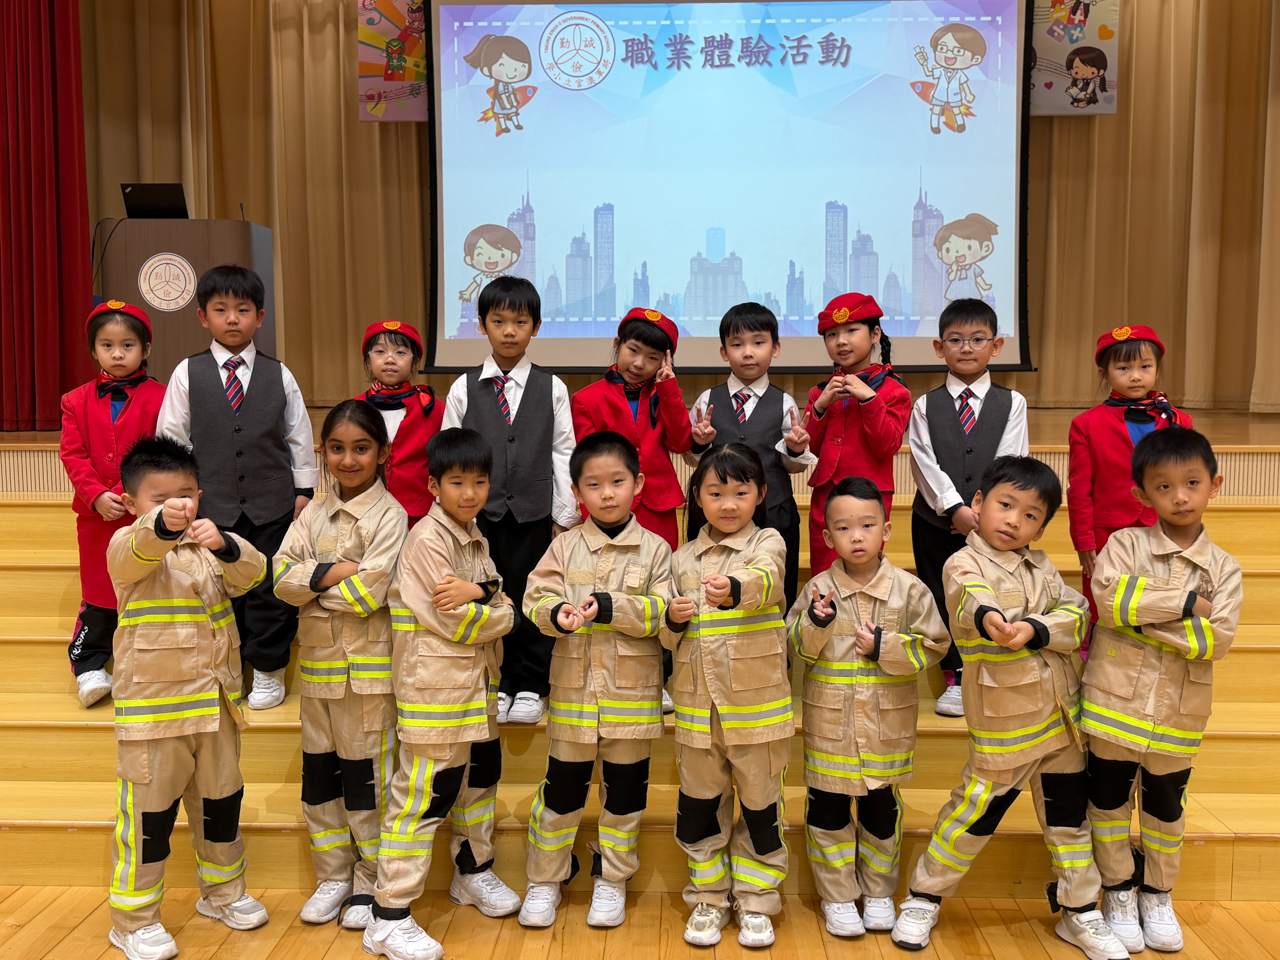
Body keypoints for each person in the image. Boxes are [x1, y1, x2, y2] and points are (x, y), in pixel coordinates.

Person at [891, 457, 1128, 960]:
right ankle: (924, 897)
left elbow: (1075, 613)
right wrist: (993, 618)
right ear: (978, 504)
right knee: (973, 814)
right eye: (1005, 505)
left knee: (1069, 821)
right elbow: (970, 599)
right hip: (1005, 723)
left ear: (1041, 527)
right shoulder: (963, 562)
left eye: (1030, 515)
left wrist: (1036, 628)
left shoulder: (1043, 567)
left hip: (1062, 721)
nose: (1014, 520)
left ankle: (1080, 909)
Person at [105, 437, 270, 960]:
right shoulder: (126, 546)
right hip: (154, 716)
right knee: (149, 823)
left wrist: (225, 545)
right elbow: (138, 549)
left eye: (186, 495)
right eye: (160, 499)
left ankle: (222, 894)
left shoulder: (207, 547)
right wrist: (159, 525)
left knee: (221, 808)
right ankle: (133, 921)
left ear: (200, 495)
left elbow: (254, 573)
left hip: (216, 708)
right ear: (131, 503)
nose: (177, 506)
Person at [1082, 428, 1241, 954]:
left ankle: (1156, 894)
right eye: (1164, 486)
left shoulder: (1226, 569)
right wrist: (1187, 603)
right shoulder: (1123, 545)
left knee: (1166, 809)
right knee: (1108, 803)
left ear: (1214, 485)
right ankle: (1117, 890)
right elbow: (1110, 606)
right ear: (1141, 494)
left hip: (1180, 710)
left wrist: (1144, 612)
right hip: (1113, 703)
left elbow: (1214, 640)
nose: (1180, 496)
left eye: (1192, 483)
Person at [365, 428, 521, 960]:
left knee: (478, 785)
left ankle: (471, 872)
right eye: (457, 482)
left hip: (476, 688)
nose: (470, 493)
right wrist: (499, 608)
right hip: (435, 692)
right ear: (433, 485)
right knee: (422, 798)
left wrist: (484, 592)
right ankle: (389, 915)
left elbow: (496, 594)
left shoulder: (473, 536)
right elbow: (458, 620)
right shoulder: (426, 540)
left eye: (480, 482)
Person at [519, 431, 675, 930]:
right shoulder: (564, 546)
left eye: (617, 482)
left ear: (638, 484)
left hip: (633, 698)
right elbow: (535, 597)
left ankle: (612, 878)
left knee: (624, 797)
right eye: (593, 484)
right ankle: (545, 878)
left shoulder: (656, 550)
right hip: (574, 697)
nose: (607, 494)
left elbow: (664, 613)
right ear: (576, 491)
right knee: (560, 794)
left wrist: (612, 608)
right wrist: (555, 612)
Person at [786, 476, 949, 938]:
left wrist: (886, 647)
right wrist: (815, 624)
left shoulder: (910, 590)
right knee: (828, 813)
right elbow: (796, 646)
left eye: (866, 525)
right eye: (843, 528)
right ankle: (838, 896)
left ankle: (878, 892)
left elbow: (934, 645)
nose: (855, 536)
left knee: (882, 813)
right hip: (830, 727)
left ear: (886, 530)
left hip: (885, 728)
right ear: (826, 536)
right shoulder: (818, 590)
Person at [157, 264, 319, 711]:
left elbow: (298, 435)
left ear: (259, 318)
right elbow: (172, 438)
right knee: (216, 588)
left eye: (243, 310)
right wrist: (180, 497)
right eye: (221, 309)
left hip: (272, 504)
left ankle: (267, 667)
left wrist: (304, 490)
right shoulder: (187, 373)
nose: (232, 319)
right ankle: (225, 669)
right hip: (211, 507)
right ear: (202, 317)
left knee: (269, 587)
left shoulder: (279, 374)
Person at [272, 400, 407, 932]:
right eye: (336, 448)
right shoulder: (311, 513)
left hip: (367, 676)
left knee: (367, 782)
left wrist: (313, 584)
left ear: (382, 453)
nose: (348, 460)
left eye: (361, 448)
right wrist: (336, 572)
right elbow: (279, 579)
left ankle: (371, 877)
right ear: (321, 452)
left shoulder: (391, 516)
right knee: (320, 781)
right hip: (318, 672)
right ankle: (333, 875)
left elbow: (370, 593)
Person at [661, 444, 793, 949]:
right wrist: (671, 619)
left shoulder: (768, 541)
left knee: (761, 808)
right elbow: (666, 636)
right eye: (716, 493)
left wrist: (734, 588)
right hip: (697, 709)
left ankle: (757, 899)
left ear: (761, 494)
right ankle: (708, 896)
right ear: (697, 496)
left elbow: (767, 579)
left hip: (756, 711)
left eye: (741, 492)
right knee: (699, 808)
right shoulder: (680, 558)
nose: (729, 504)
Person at [441, 275, 579, 725]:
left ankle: (531, 684)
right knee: (485, 598)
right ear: (482, 324)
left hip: (534, 514)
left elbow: (563, 451)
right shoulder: (463, 387)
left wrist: (564, 514)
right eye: (498, 321)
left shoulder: (552, 387)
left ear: (535, 327)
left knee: (530, 596)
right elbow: (450, 453)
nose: (509, 331)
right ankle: (495, 683)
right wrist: (454, 515)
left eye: (520, 322)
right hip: (478, 517)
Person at [909, 299, 1028, 718]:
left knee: (993, 591)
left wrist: (985, 514)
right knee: (942, 593)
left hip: (995, 525)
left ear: (996, 346)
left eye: (978, 339)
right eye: (955, 340)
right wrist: (956, 509)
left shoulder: (1013, 402)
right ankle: (956, 675)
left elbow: (1010, 460)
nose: (966, 348)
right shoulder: (925, 405)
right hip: (935, 521)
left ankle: (992, 668)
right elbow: (924, 464)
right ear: (939, 348)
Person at [59, 300, 166, 707]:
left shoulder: (162, 396)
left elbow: (158, 450)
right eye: (107, 345)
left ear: (146, 349)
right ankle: (88, 665)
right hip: (96, 516)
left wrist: (128, 494)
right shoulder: (74, 400)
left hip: (143, 513)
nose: (117, 354)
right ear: (94, 350)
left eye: (127, 345)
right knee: (99, 590)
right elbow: (73, 454)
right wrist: (96, 495)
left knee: (145, 587)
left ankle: (143, 665)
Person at [685, 302, 815, 612]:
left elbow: (792, 467)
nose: (747, 352)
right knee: (708, 586)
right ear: (723, 352)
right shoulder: (707, 400)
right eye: (737, 344)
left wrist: (796, 450)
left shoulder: (784, 402)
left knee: (777, 588)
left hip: (774, 510)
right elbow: (692, 460)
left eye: (758, 343)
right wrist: (699, 445)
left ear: (775, 348)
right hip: (717, 512)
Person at [1068, 326, 1192, 627]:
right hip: (1108, 531)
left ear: (1157, 369)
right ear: (1104, 374)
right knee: (1105, 603)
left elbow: (1190, 482)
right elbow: (1079, 489)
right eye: (1123, 368)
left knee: (1161, 598)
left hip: (1165, 527)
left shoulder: (1179, 420)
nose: (1135, 376)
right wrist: (1084, 542)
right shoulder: (1086, 424)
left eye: (1145, 367)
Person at [804, 293, 912, 577]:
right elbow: (809, 451)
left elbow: (886, 446)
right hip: (826, 496)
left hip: (870, 497)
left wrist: (870, 400)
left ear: (875, 334)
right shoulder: (820, 392)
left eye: (852, 331)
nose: (841, 341)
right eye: (832, 334)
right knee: (823, 574)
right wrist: (819, 407)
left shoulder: (894, 391)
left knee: (863, 571)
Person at [571, 308, 691, 551]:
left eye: (652, 357)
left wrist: (668, 389)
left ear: (664, 361)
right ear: (618, 344)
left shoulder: (665, 395)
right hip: (608, 503)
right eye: (633, 350)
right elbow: (589, 462)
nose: (639, 363)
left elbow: (680, 444)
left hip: (658, 505)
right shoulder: (586, 399)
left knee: (661, 568)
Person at [354, 320, 445, 528]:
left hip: (420, 516)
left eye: (401, 352)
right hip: (364, 513)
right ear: (368, 359)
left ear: (415, 362)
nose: (389, 359)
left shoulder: (435, 409)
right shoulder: (352, 409)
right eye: (379, 351)